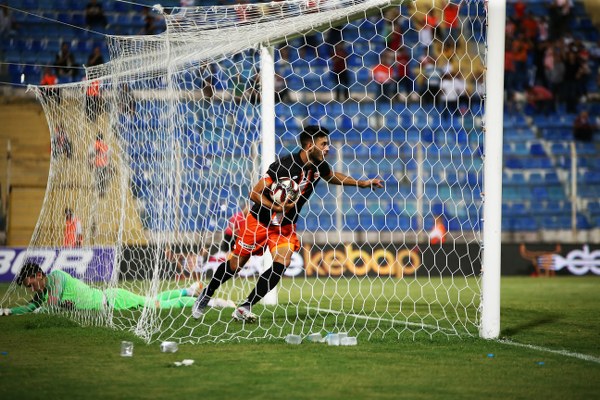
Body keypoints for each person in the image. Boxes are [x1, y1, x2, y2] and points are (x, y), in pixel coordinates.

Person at [191, 125, 384, 322]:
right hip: (258, 222)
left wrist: (361, 183)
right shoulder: (283, 166)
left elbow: (331, 176)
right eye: (323, 144)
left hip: (284, 227)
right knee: (235, 266)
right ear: (309, 146)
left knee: (281, 263)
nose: (328, 148)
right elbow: (254, 193)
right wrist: (274, 207)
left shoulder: (319, 165)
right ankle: (206, 293)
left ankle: (245, 306)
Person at [0, 262, 233, 316]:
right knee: (150, 299)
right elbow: (34, 305)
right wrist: (9, 312)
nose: (31, 289)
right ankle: (188, 291)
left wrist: (40, 309)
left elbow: (48, 305)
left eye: (31, 284)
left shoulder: (57, 278)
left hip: (112, 301)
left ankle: (206, 301)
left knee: (155, 305)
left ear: (38, 275)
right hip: (110, 297)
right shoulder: (45, 288)